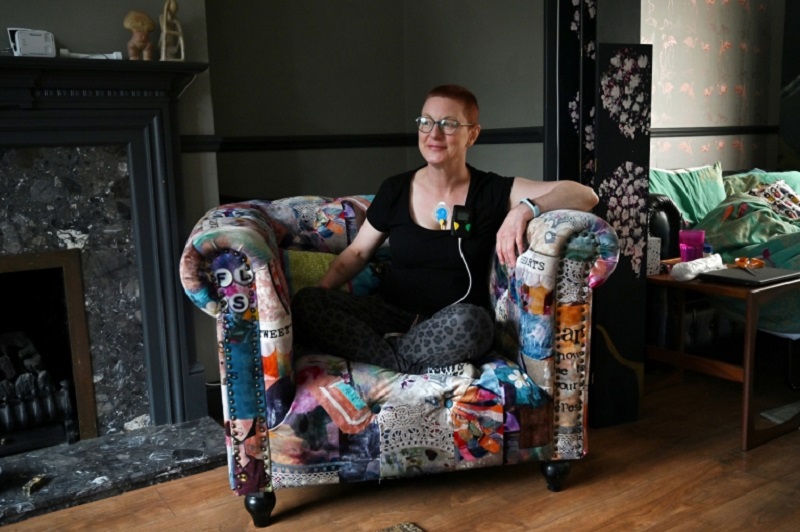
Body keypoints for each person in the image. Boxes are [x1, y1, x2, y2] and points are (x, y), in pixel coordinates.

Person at [291, 84, 598, 374]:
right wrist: (324, 294)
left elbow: (586, 195)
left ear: (472, 135)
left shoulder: (492, 190)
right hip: (388, 313)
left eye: (449, 124)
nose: (434, 133)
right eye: (426, 122)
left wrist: (525, 209)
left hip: (452, 321)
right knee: (307, 302)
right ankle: (404, 359)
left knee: (474, 323)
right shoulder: (396, 189)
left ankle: (389, 357)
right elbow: (357, 253)